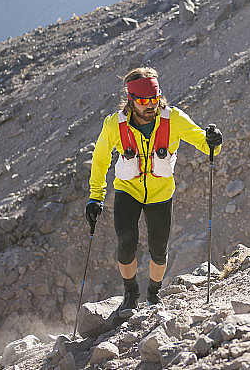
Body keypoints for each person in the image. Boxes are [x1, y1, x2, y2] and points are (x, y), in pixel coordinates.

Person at [85, 66, 222, 308]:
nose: (151, 105)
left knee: (159, 250)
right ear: (131, 99)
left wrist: (214, 140)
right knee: (126, 244)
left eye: (155, 98)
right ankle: (131, 295)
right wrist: (96, 196)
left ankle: (153, 294)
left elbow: (205, 143)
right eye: (144, 101)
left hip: (161, 194)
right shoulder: (114, 124)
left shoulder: (174, 119)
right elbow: (100, 159)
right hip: (128, 191)